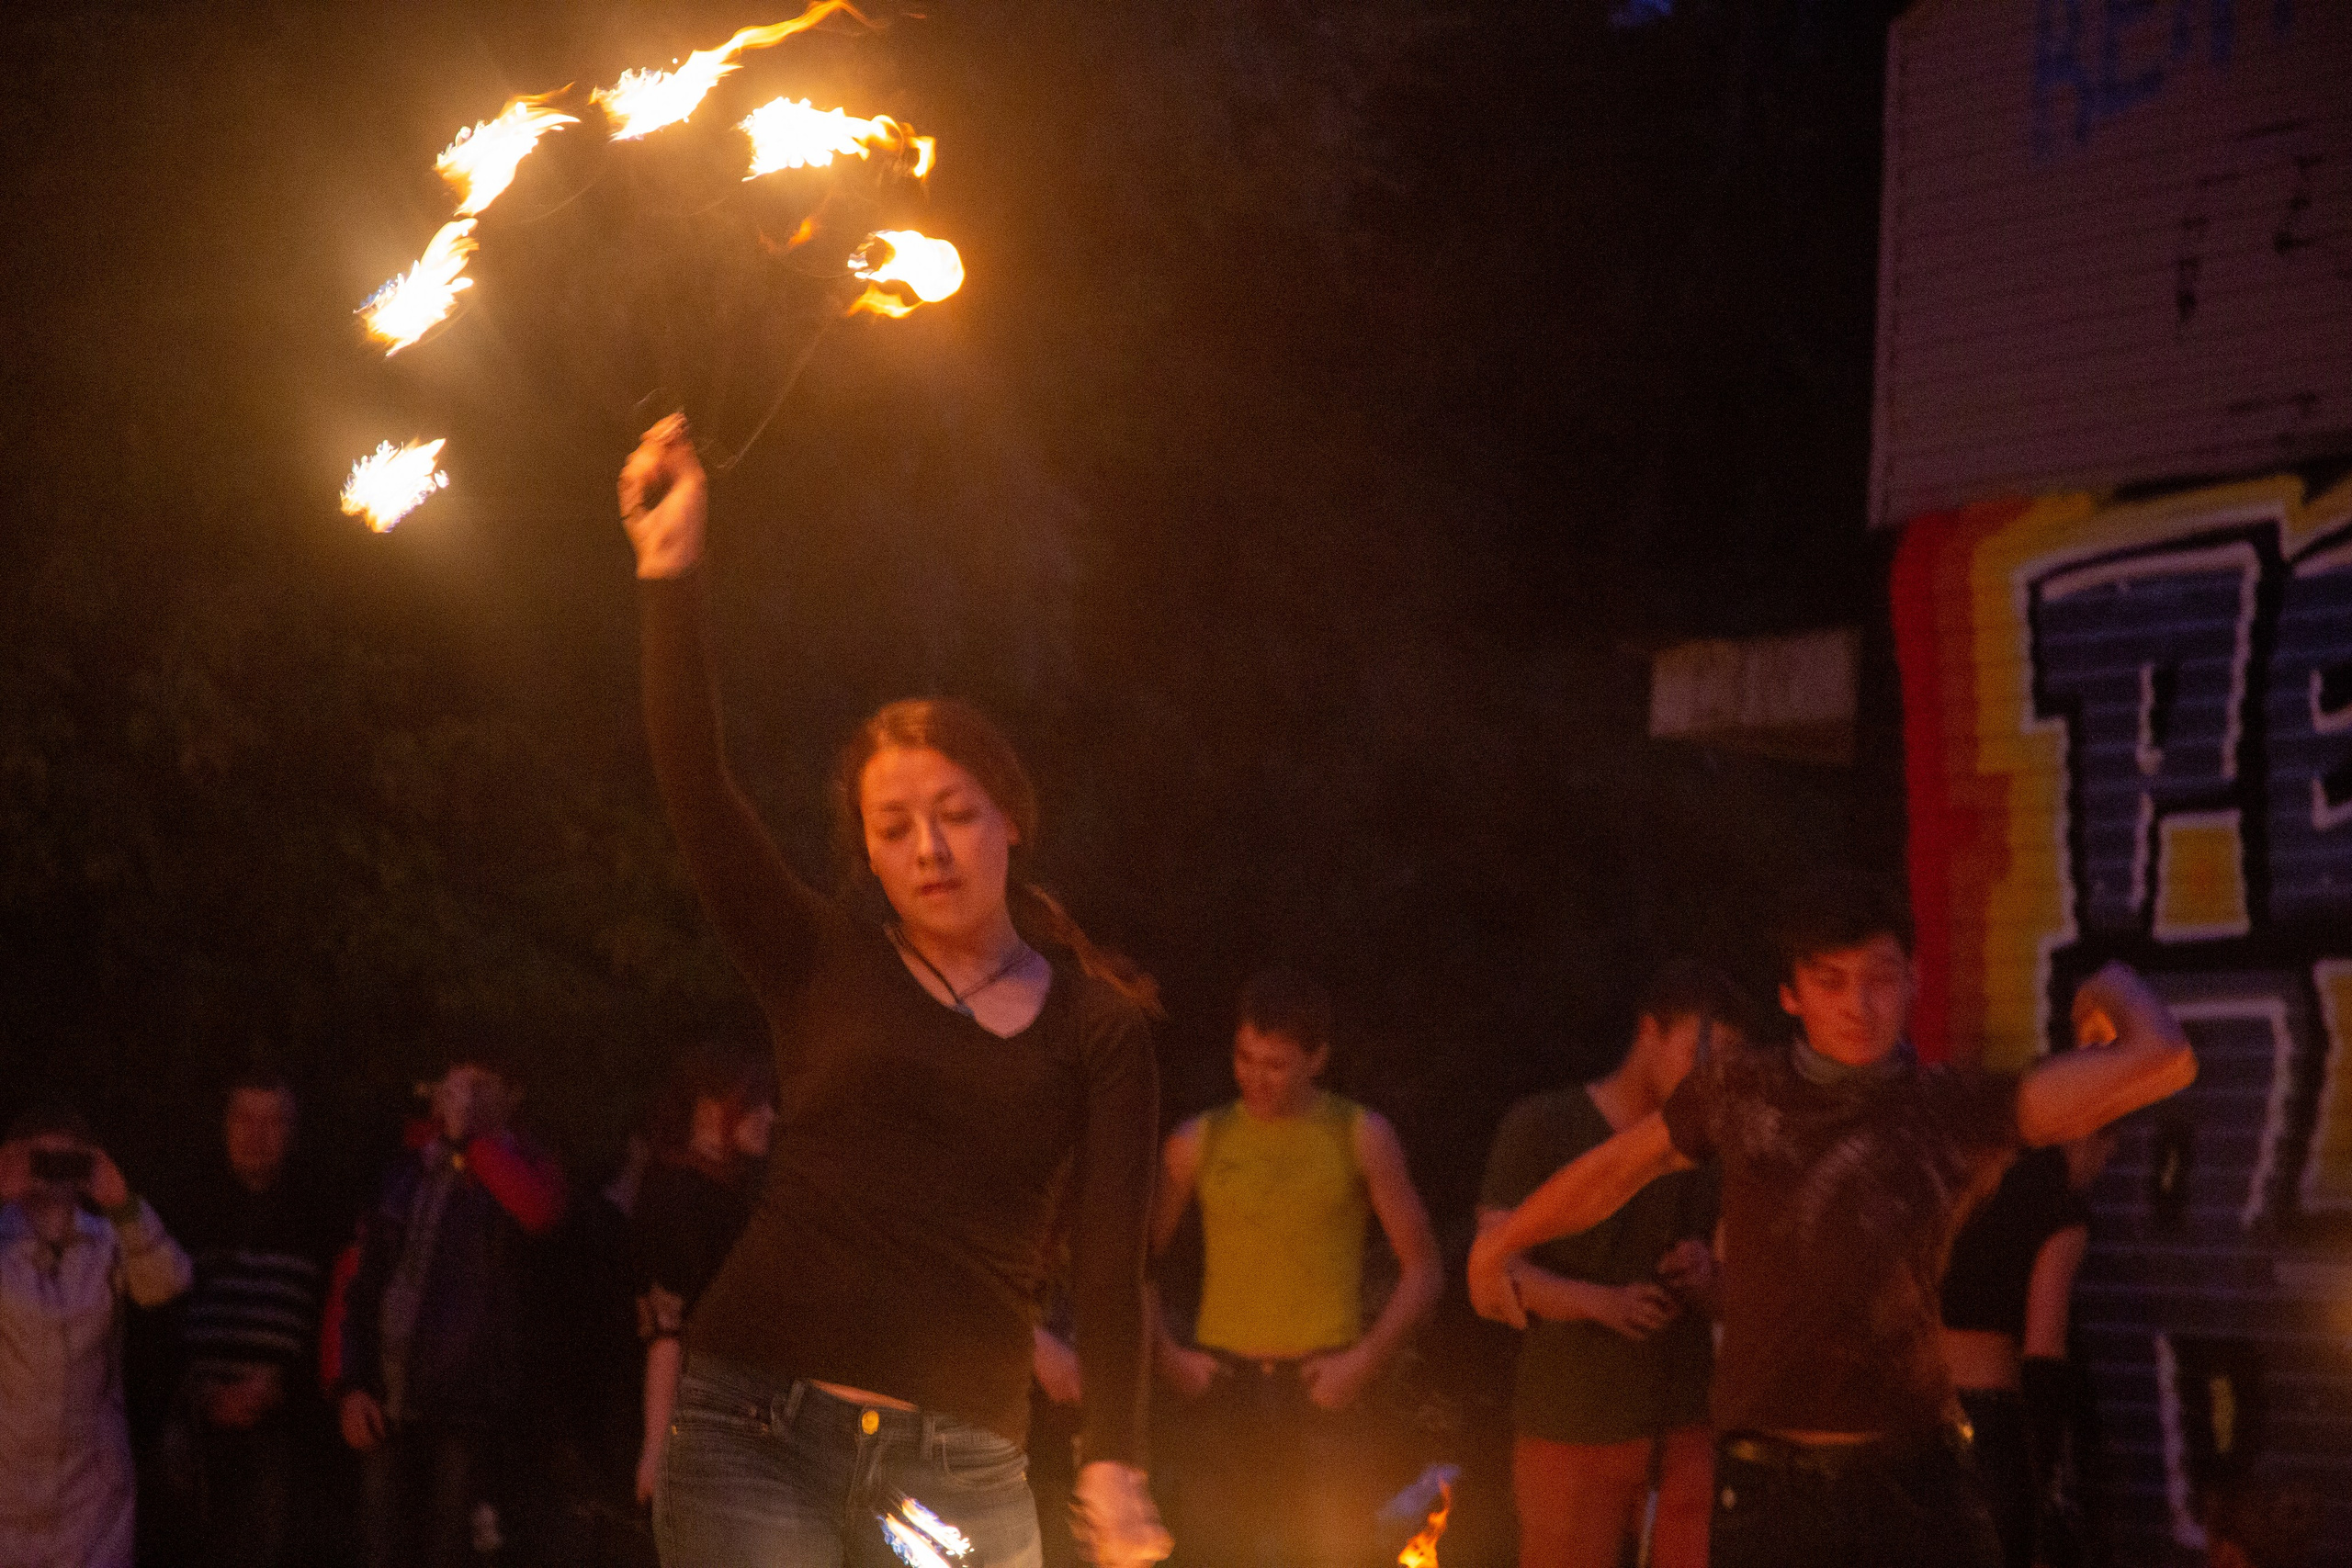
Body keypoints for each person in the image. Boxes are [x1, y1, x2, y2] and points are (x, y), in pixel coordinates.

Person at [618, 415, 1170, 1568]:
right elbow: (700, 795)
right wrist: (671, 575)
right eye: (894, 827)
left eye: (956, 814)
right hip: (751, 1429)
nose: (929, 848)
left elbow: (1115, 1266)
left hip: (957, 1466)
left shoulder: (1099, 1030)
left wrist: (1116, 1461)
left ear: (1010, 821)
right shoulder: (821, 960)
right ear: (866, 854)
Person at [1469, 870, 2198, 1568]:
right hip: (1769, 1482)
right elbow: (1621, 1165)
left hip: (1917, 1478)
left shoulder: (1955, 1106)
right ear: (1792, 995)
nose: (1859, 1004)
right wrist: (1505, 1238)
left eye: (1880, 977)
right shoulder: (1741, 1089)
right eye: (1831, 981)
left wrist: (2109, 981)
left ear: (1913, 979)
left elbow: (2163, 1059)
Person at [1152, 967, 1443, 1568]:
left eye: (1275, 1063)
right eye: (1244, 1056)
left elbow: (1424, 1270)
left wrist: (1365, 1359)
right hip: (1222, 1390)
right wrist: (1166, 1353)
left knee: (1328, 1553)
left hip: (1323, 1390)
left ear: (1317, 1058)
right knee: (1212, 1553)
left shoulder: (1360, 1135)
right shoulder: (1199, 1139)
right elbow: (1130, 1263)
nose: (1255, 1076)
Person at [1476, 961, 1742, 1568]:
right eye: (1701, 1051)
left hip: (1683, 1422)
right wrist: (1599, 1302)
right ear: (1649, 1031)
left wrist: (1704, 1277)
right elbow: (1494, 1266)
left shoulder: (1714, 1147)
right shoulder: (1543, 1125)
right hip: (1570, 1419)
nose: (1713, 1074)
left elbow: (1739, 1296)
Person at [334, 1049, 568, 1568]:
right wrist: (350, 1385)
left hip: (470, 1414)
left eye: (480, 1086)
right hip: (387, 1403)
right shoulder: (404, 1173)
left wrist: (472, 1144)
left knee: (451, 1553)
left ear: (512, 1096)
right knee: (380, 1550)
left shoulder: (529, 1169)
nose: (464, 1097)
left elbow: (537, 1216)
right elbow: (364, 1285)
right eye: (456, 1084)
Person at [0, 1102, 193, 1568]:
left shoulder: (108, 1239)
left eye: (70, 1160)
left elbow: (168, 1282)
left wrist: (123, 1202)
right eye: (41, 1160)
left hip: (92, 1494)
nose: (53, 1174)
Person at [160, 1071, 337, 1568]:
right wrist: (198, 1389)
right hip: (193, 1419)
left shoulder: (321, 1215)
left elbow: (335, 1320)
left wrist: (280, 1386)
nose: (256, 1135)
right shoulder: (185, 1207)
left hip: (282, 1424)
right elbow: (155, 1317)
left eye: (273, 1121)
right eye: (244, 1119)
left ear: (293, 1132)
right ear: (224, 1126)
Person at [631, 1039, 777, 1505]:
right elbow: (666, 1323)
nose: (770, 1117)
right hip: (688, 1420)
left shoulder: (729, 1197)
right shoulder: (679, 1195)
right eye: (756, 1102)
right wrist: (656, 1447)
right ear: (712, 1108)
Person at [1939, 1139, 2091, 1568]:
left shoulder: (1955, 1182)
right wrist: (2039, 1470)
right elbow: (2045, 1351)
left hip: (1923, 1408)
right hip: (1992, 1416)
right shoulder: (2061, 1211)